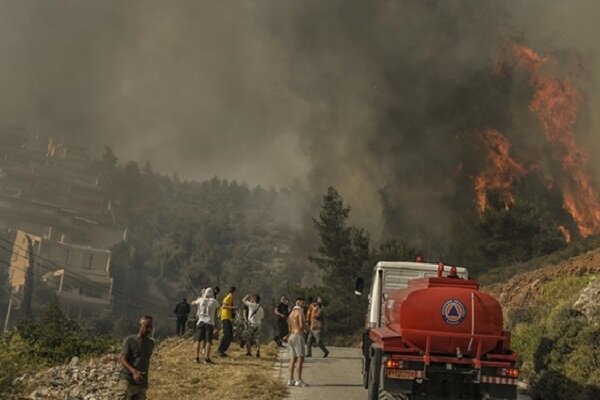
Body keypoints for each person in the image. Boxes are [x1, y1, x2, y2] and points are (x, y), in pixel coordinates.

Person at [115, 316, 155, 400]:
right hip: (128, 380)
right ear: (139, 326)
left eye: (150, 327)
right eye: (146, 326)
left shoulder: (150, 343)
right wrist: (134, 371)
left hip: (141, 383)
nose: (149, 330)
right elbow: (123, 359)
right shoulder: (130, 340)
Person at [194, 287, 220, 364]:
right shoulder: (214, 301)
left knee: (198, 340)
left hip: (201, 322)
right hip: (209, 323)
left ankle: (196, 357)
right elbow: (219, 308)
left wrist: (202, 296)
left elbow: (194, 302)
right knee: (208, 341)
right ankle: (206, 358)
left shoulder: (201, 300)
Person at [287, 297, 308, 387]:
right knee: (300, 358)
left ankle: (290, 379)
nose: (304, 305)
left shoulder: (291, 313)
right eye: (303, 303)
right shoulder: (300, 312)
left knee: (292, 359)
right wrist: (307, 328)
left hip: (291, 335)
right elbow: (301, 324)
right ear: (299, 303)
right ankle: (298, 380)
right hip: (298, 336)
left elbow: (289, 327)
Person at [242, 293, 265, 357]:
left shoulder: (251, 305)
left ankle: (249, 352)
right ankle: (258, 351)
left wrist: (247, 296)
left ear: (254, 299)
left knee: (247, 338)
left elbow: (243, 300)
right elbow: (262, 317)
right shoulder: (261, 308)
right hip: (258, 324)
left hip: (251, 324)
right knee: (257, 338)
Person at [217, 286, 236, 357]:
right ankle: (220, 350)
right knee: (226, 334)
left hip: (228, 317)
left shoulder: (230, 297)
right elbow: (224, 306)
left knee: (230, 335)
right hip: (225, 317)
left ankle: (223, 350)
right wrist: (233, 308)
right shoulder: (229, 296)